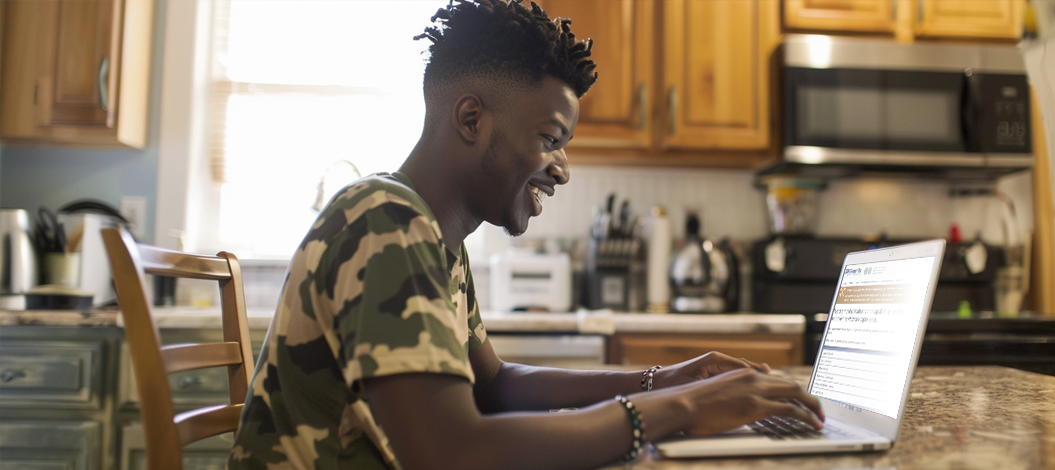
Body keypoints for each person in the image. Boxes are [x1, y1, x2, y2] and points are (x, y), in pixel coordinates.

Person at [229, 1, 823, 469]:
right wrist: (682, 407)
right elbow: (454, 455)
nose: (562, 167)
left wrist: (663, 380)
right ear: (471, 120)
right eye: (550, 138)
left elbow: (495, 384)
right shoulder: (383, 221)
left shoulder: (431, 237)